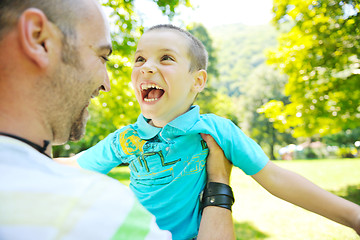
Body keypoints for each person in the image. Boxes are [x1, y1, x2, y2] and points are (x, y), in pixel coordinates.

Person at [59, 24, 360, 239]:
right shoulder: (125, 138)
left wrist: (352, 216)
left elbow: (275, 177)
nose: (147, 67)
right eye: (140, 58)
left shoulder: (215, 131)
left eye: (166, 58)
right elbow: (77, 165)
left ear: (197, 81)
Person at [0, 1, 235, 239]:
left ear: (198, 80)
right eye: (103, 57)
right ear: (39, 38)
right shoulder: (98, 211)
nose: (107, 84)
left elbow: (76, 162)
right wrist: (219, 183)